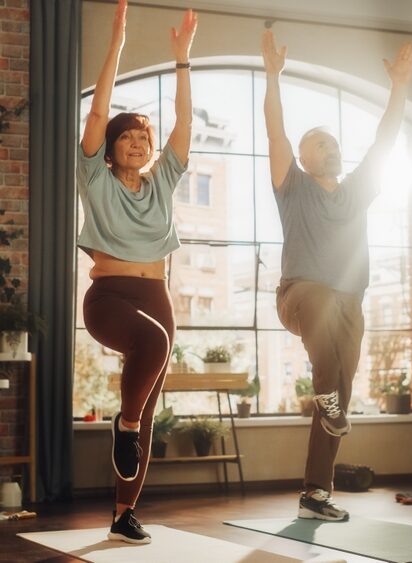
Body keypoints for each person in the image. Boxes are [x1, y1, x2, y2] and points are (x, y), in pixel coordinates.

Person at [261, 29, 412, 521]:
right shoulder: (293, 187)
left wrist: (400, 87)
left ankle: (315, 493)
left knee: (337, 401)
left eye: (331, 142)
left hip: (349, 302)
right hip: (300, 296)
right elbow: (275, 131)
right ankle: (326, 394)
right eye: (317, 143)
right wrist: (271, 77)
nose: (328, 147)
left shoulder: (355, 190)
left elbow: (386, 139)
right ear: (302, 159)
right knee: (321, 305)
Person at [77, 0, 196, 544]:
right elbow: (97, 114)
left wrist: (182, 62)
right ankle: (123, 429)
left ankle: (124, 513)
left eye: (143, 137)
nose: (138, 141)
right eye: (127, 136)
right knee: (150, 350)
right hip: (108, 298)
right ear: (108, 151)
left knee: (146, 408)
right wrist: (118, 42)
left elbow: (185, 125)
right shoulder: (96, 179)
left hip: (157, 293)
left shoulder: (162, 182)